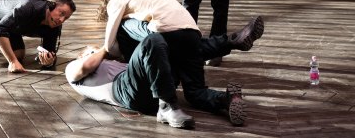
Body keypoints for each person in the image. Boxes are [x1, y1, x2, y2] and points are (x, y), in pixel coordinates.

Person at [66, 16, 264, 127]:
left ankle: (224, 96)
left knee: (177, 46)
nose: (98, 52)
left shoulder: (117, 62)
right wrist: (104, 49)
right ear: (83, 54)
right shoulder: (72, 69)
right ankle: (167, 107)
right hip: (125, 91)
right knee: (153, 40)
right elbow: (85, 67)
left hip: (151, 89)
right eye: (90, 51)